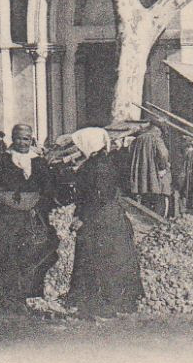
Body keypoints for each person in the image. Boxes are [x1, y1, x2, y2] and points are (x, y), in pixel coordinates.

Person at [60, 128, 143, 317]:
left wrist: (82, 218)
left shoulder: (99, 166)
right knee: (107, 260)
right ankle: (103, 303)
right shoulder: (99, 162)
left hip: (102, 219)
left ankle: (105, 305)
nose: (78, 150)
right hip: (104, 217)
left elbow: (100, 196)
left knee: (104, 261)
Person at [0, 124, 60, 313]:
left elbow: (48, 191)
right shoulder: (1, 160)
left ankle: (25, 296)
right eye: (18, 138)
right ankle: (6, 299)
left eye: (26, 139)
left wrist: (37, 207)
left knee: (32, 255)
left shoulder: (39, 163)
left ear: (31, 139)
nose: (22, 142)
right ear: (12, 139)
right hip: (6, 217)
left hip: (31, 217)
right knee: (5, 256)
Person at [126, 122, 173, 216]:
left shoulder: (137, 140)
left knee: (144, 203)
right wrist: (163, 168)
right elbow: (163, 155)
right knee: (159, 203)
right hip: (155, 179)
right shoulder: (156, 139)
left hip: (140, 181)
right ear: (158, 130)